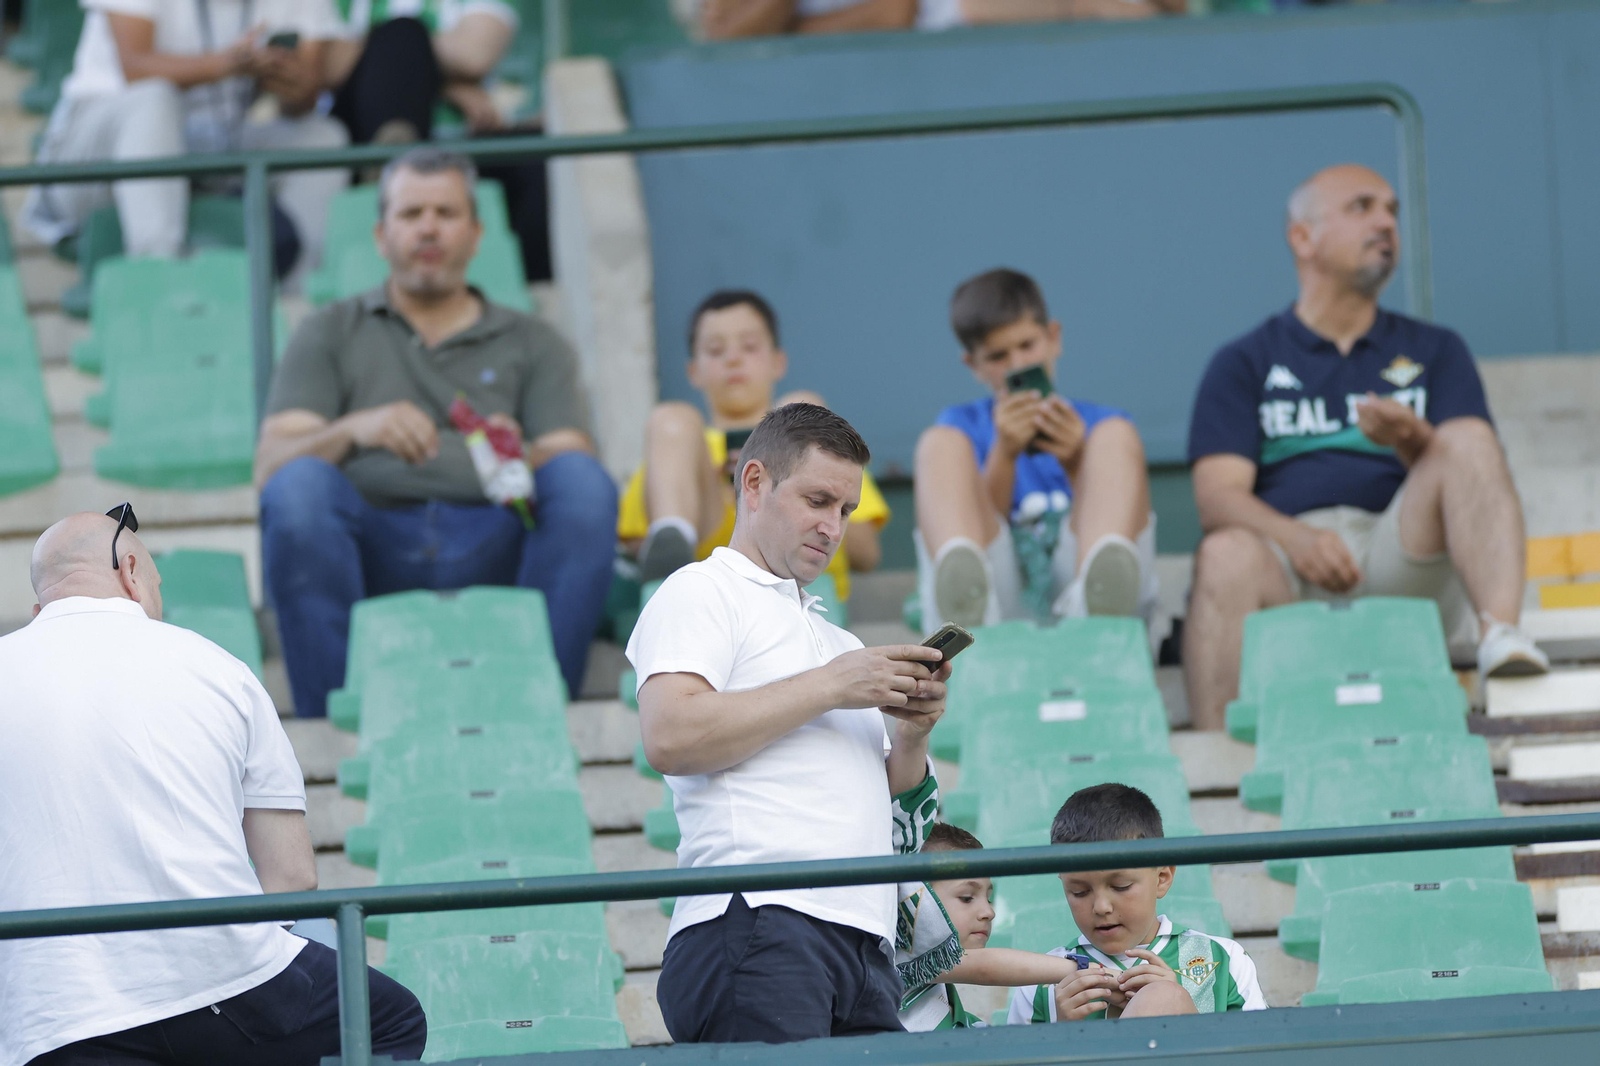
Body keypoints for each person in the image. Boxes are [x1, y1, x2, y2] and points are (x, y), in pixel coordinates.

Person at [2, 509, 427, 1066]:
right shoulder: (217, 667)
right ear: (131, 572)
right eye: (156, 586)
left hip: (54, 1018)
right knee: (390, 1021)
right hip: (227, 983)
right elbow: (292, 880)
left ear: (41, 610)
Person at [628, 403, 951, 1044]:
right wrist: (833, 685)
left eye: (846, 510)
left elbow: (888, 803)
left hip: (862, 936)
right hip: (757, 919)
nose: (832, 526)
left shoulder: (839, 637)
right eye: (818, 499)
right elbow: (669, 735)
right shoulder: (699, 589)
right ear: (754, 484)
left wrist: (912, 732)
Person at [1184, 164, 1548, 731]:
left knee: (1467, 438)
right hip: (1287, 567)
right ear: (1301, 237)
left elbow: (1472, 474)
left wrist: (1413, 440)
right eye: (1362, 207)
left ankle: (1500, 635)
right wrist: (1296, 537)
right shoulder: (1244, 360)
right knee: (1226, 551)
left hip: (1398, 558)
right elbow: (1216, 499)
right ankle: (1219, 767)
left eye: (1392, 211)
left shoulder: (1436, 348)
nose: (1385, 222)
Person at [255, 147, 616, 715]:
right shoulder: (328, 330)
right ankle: (332, 723)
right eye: (411, 213)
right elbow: (271, 464)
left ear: (476, 234)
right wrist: (355, 428)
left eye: (446, 214)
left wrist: (522, 450)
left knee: (582, 483)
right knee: (297, 489)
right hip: (371, 543)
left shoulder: (533, 340)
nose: (428, 227)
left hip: (495, 538)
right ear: (380, 235)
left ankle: (541, 705)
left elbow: (572, 456)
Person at [23, 0, 349, 282]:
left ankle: (303, 297)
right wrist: (226, 64)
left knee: (323, 136)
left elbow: (303, 101)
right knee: (154, 98)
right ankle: (161, 277)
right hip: (91, 162)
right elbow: (135, 66)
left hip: (214, 147)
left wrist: (291, 82)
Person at [915, 267, 1157, 631]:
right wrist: (1005, 454)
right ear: (974, 365)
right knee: (937, 444)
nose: (1017, 365)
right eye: (998, 356)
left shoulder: (1100, 425)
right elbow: (986, 532)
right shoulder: (961, 429)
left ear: (1053, 337)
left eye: (1027, 346)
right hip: (1000, 602)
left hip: (1081, 585)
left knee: (1116, 436)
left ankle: (1099, 614)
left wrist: (1078, 461)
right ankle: (968, 617)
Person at [619, 289, 888, 595]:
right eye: (716, 350)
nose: (733, 359)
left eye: (749, 347)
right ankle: (675, 528)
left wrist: (795, 487)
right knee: (671, 419)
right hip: (709, 575)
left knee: (803, 408)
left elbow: (867, 553)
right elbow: (639, 549)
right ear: (694, 371)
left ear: (778, 362)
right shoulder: (679, 446)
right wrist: (725, 491)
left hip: (805, 575)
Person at [323, 1, 551, 282]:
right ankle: (392, 167)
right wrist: (443, 79)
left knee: (537, 152)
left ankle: (535, 286)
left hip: (463, 146)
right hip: (358, 146)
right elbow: (321, 66)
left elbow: (475, 54)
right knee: (402, 33)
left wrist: (395, 58)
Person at [1008, 784, 1265, 1023]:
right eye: (1079, 891)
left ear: (1162, 878)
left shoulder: (1225, 959)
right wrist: (1060, 1034)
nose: (1101, 907)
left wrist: (1177, 1005)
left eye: (1121, 887)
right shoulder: (1038, 985)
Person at [896, 823, 1089, 1031]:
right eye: (967, 898)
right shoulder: (891, 962)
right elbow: (986, 966)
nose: (989, 912)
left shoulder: (971, 1026)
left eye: (988, 899)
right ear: (916, 903)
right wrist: (1090, 970)